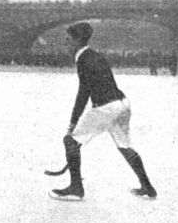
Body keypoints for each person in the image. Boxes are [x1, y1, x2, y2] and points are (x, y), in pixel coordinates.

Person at [51, 22, 157, 200]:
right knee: (125, 146)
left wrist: (73, 121)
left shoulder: (82, 59)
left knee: (70, 142)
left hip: (106, 107)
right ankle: (147, 187)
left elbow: (83, 92)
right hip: (123, 104)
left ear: (78, 40)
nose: (65, 43)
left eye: (68, 40)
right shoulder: (95, 55)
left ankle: (76, 188)